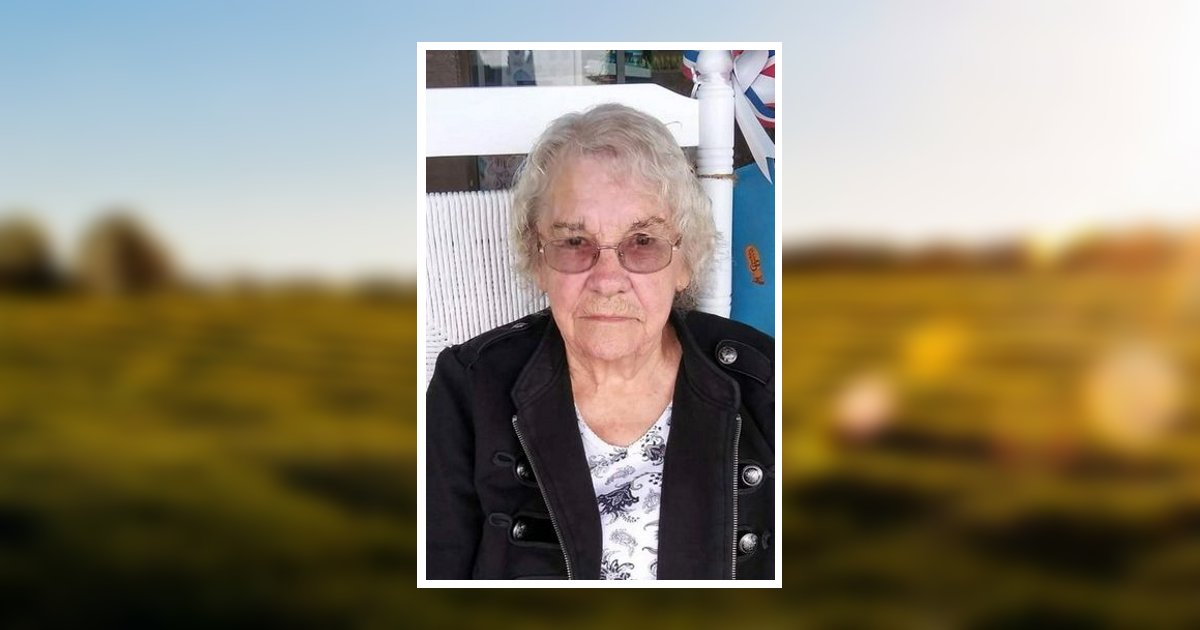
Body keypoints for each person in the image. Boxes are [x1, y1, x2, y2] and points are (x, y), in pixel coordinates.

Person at [426, 103, 774, 580]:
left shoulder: (768, 382)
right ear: (537, 258)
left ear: (685, 261)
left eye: (643, 241)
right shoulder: (468, 389)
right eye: (574, 242)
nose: (608, 281)